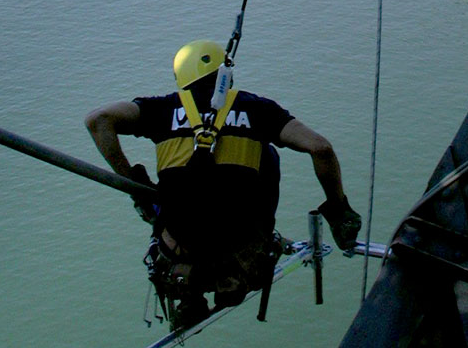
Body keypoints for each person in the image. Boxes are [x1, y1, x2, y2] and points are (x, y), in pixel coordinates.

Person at [85, 39, 361, 330]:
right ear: (226, 75)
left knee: (176, 192)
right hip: (240, 255)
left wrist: (132, 184)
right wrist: (339, 210)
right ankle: (244, 260)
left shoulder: (161, 110)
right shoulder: (257, 109)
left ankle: (190, 297)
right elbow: (320, 148)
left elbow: (98, 120)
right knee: (266, 154)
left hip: (178, 254)